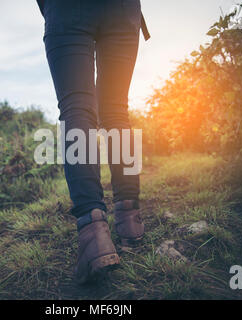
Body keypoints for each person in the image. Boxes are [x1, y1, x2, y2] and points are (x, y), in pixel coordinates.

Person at [37, 0, 149, 284]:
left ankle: (93, 233)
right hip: (123, 11)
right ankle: (130, 220)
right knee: (116, 110)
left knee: (77, 109)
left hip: (66, 11)